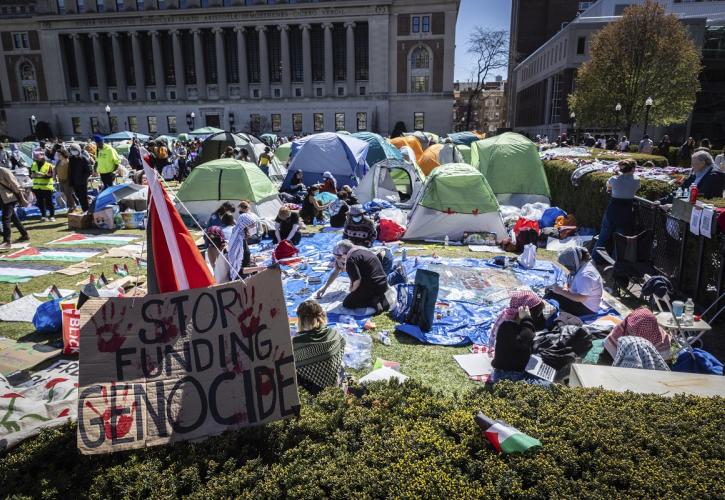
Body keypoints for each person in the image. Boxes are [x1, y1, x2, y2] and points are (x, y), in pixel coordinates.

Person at [489, 295, 551, 387]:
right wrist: (527, 318)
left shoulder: (516, 324)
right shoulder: (507, 327)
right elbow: (526, 339)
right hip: (508, 377)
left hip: (515, 372)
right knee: (548, 385)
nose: (537, 317)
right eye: (537, 313)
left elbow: (535, 328)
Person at [316, 239, 390, 313]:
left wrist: (352, 290)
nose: (337, 260)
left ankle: (373, 301)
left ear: (344, 254)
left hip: (374, 284)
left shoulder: (351, 259)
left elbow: (357, 280)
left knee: (347, 303)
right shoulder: (360, 250)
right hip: (383, 283)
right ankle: (381, 297)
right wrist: (324, 288)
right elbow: (336, 271)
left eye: (338, 257)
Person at [292, 299, 346, 394]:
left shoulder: (296, 343)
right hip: (337, 385)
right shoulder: (334, 334)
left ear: (300, 320)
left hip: (315, 393)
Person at [595, 159, 640, 254]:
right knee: (620, 240)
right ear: (633, 169)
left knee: (603, 236)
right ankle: (617, 262)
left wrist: (618, 176)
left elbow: (609, 186)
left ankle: (596, 257)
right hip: (626, 212)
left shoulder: (613, 179)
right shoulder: (637, 180)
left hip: (613, 210)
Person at [545, 247, 603, 316]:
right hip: (582, 301)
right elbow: (570, 279)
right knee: (551, 291)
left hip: (587, 308)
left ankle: (544, 315)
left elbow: (582, 298)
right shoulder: (582, 265)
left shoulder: (585, 275)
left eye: (567, 265)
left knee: (551, 295)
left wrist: (561, 292)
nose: (567, 267)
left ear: (573, 262)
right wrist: (564, 288)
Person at [604, 308, 671, 360]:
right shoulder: (622, 328)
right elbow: (609, 350)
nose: (628, 331)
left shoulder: (662, 340)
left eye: (632, 330)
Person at [0, 161, 29, 248]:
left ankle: (7, 241)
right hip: (1, 198)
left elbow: (16, 185)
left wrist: (23, 199)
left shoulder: (4, 171)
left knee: (6, 218)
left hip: (9, 197)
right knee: (14, 218)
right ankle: (24, 235)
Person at [30, 150, 55, 222]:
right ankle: (44, 216)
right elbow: (31, 175)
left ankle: (52, 216)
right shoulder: (33, 164)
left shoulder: (49, 165)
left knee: (49, 202)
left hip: (47, 187)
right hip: (37, 187)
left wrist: (39, 174)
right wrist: (38, 175)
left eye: (38, 158)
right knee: (40, 202)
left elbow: (49, 176)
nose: (37, 160)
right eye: (36, 159)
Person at [68, 144, 93, 213]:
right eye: (72, 150)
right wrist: (71, 181)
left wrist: (83, 179)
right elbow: (70, 171)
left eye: (75, 150)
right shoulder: (71, 159)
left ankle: (87, 210)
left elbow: (89, 171)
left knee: (83, 196)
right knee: (79, 196)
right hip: (74, 182)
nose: (73, 152)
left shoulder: (84, 159)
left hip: (82, 182)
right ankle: (84, 209)